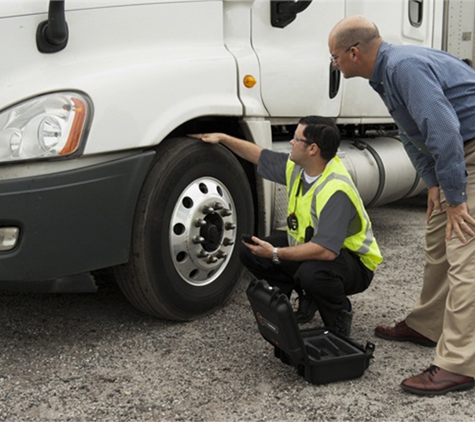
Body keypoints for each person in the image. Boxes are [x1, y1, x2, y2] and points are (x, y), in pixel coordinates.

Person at [328, 15, 475, 396]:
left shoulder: (402, 66)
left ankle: (459, 365)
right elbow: (412, 133)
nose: (335, 65)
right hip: (455, 157)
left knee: (465, 256)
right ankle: (428, 325)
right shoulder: (386, 72)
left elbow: (443, 128)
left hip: (469, 154)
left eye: (335, 57)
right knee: (438, 243)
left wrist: (456, 198)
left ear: (354, 52)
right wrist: (432, 183)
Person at [190, 116, 382, 337]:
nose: (291, 142)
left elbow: (326, 251)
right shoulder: (300, 168)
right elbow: (259, 156)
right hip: (315, 249)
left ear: (312, 149)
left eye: (296, 138)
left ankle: (338, 317)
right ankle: (301, 299)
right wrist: (223, 138)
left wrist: (275, 253)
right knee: (250, 249)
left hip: (353, 263)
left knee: (312, 274)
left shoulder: (335, 189)